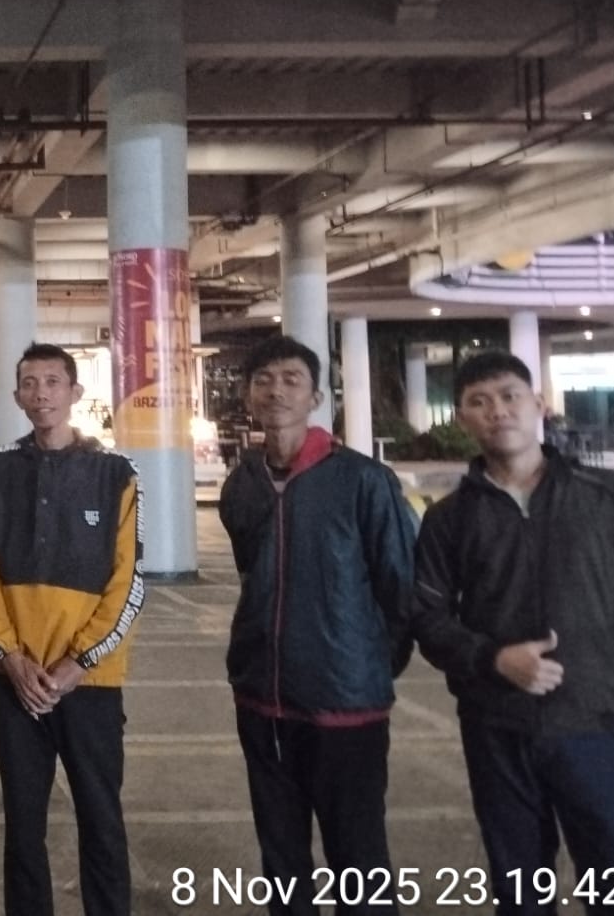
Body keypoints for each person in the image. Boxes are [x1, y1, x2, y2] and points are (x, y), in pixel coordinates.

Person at [411, 351, 614, 915]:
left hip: (594, 724)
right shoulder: (448, 519)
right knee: (521, 893)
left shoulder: (607, 495)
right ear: (462, 417)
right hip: (497, 729)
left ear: (538, 404)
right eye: (479, 401)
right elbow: (428, 620)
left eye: (510, 396)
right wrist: (493, 658)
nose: (498, 410)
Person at [218, 335, 418, 916]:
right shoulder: (243, 484)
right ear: (248, 397)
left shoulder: (363, 481)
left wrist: (366, 663)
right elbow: (253, 575)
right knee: (281, 856)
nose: (275, 391)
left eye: (291, 379)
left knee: (358, 856)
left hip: (346, 705)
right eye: (263, 381)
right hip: (262, 700)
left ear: (316, 397)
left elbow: (401, 587)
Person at [0, 341, 144, 916]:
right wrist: (11, 659)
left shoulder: (116, 475)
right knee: (23, 828)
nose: (40, 393)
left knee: (101, 820)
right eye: (29, 383)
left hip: (90, 684)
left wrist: (78, 663)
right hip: (13, 683)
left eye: (52, 382)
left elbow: (127, 583)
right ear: (17, 395)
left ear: (75, 392)